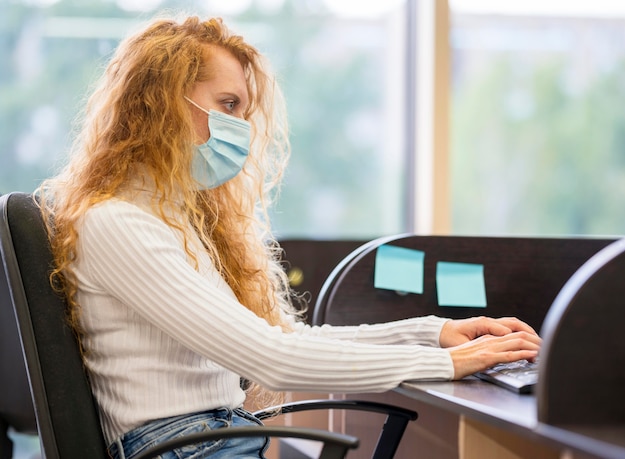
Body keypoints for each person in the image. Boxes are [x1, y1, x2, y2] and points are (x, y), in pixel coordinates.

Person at [37, 15, 541, 459]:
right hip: (187, 447)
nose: (240, 128)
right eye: (227, 104)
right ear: (163, 104)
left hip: (205, 441)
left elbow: (285, 340)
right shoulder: (119, 223)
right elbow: (273, 360)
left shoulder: (168, 219)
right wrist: (446, 364)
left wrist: (432, 332)